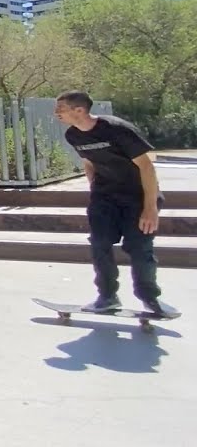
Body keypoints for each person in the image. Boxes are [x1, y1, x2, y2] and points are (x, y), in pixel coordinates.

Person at [54, 90, 169, 314]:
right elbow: (89, 162)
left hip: (137, 197)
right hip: (105, 198)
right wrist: (95, 190)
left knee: (139, 248)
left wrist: (150, 207)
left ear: (79, 110)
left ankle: (149, 298)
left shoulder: (117, 129)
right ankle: (107, 296)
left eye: (61, 108)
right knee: (99, 243)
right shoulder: (73, 135)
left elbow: (146, 166)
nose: (56, 113)